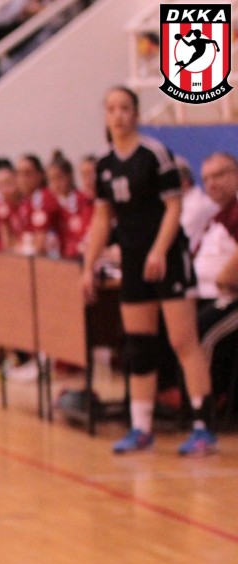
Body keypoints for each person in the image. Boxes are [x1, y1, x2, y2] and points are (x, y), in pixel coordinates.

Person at [81, 86, 216, 455]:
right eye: (112, 108)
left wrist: (159, 250)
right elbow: (102, 218)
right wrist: (89, 266)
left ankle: (203, 427)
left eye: (125, 108)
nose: (118, 115)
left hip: (167, 257)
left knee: (182, 341)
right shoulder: (105, 164)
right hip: (133, 260)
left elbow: (174, 207)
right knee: (138, 345)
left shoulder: (154, 154)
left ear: (136, 113)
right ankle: (141, 428)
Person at [193, 152, 238, 420]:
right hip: (202, 294)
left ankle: (205, 407)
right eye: (206, 179)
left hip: (231, 298)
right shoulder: (215, 218)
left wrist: (224, 278)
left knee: (199, 331)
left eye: (218, 175)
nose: (211, 183)